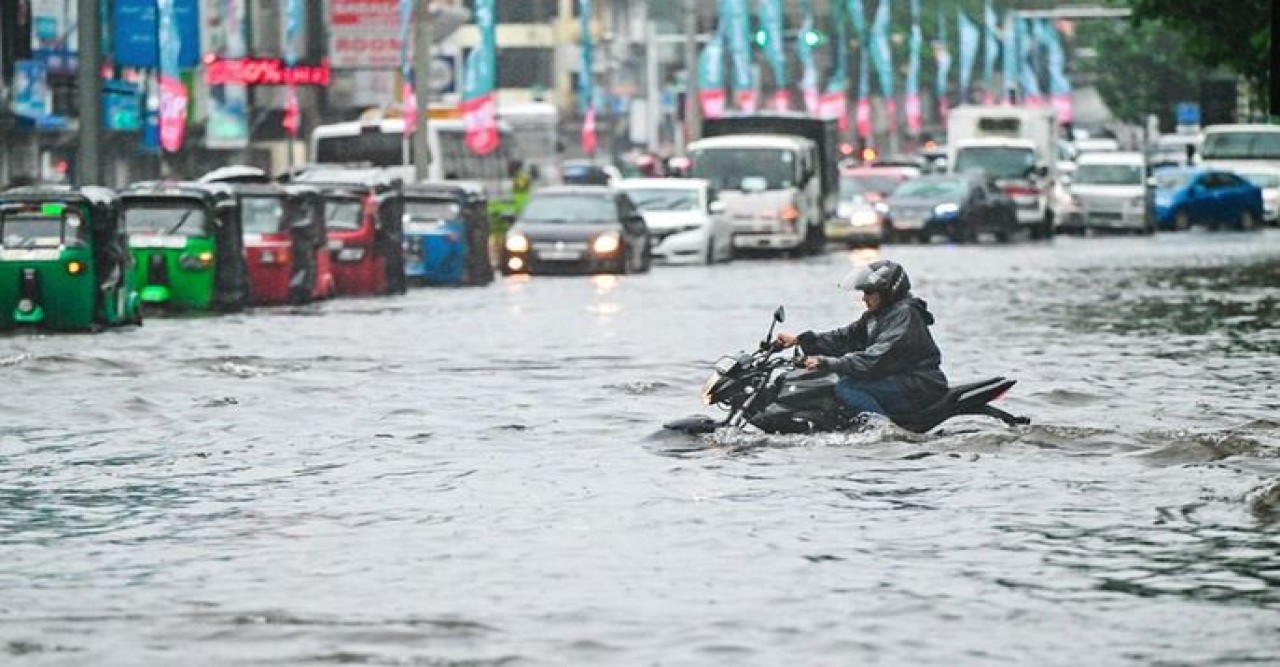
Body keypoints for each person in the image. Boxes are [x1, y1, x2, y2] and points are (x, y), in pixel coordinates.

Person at [774, 260, 947, 419]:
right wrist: (799, 340)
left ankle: (883, 433)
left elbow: (876, 357)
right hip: (895, 377)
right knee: (830, 379)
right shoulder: (877, 316)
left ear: (888, 291)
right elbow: (843, 338)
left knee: (848, 387)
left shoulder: (904, 315)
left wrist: (826, 362)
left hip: (919, 384)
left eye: (869, 292)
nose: (864, 298)